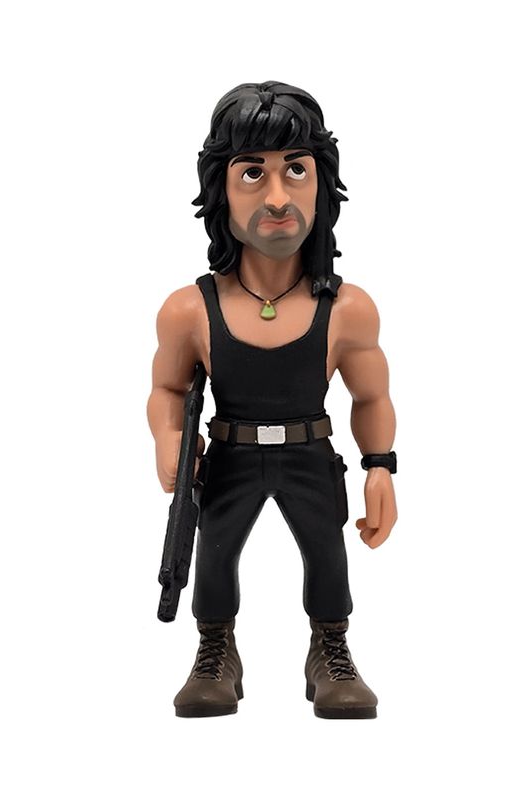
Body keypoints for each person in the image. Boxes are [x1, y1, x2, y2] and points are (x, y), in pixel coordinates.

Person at [147, 82, 398, 719]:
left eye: (296, 170)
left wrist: (380, 468)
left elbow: (371, 395)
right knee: (214, 554)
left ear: (322, 184)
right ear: (221, 190)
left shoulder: (347, 308)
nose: (279, 197)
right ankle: (215, 651)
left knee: (327, 554)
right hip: (228, 455)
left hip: (309, 451)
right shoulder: (189, 310)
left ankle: (331, 649)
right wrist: (170, 437)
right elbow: (167, 388)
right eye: (252, 173)